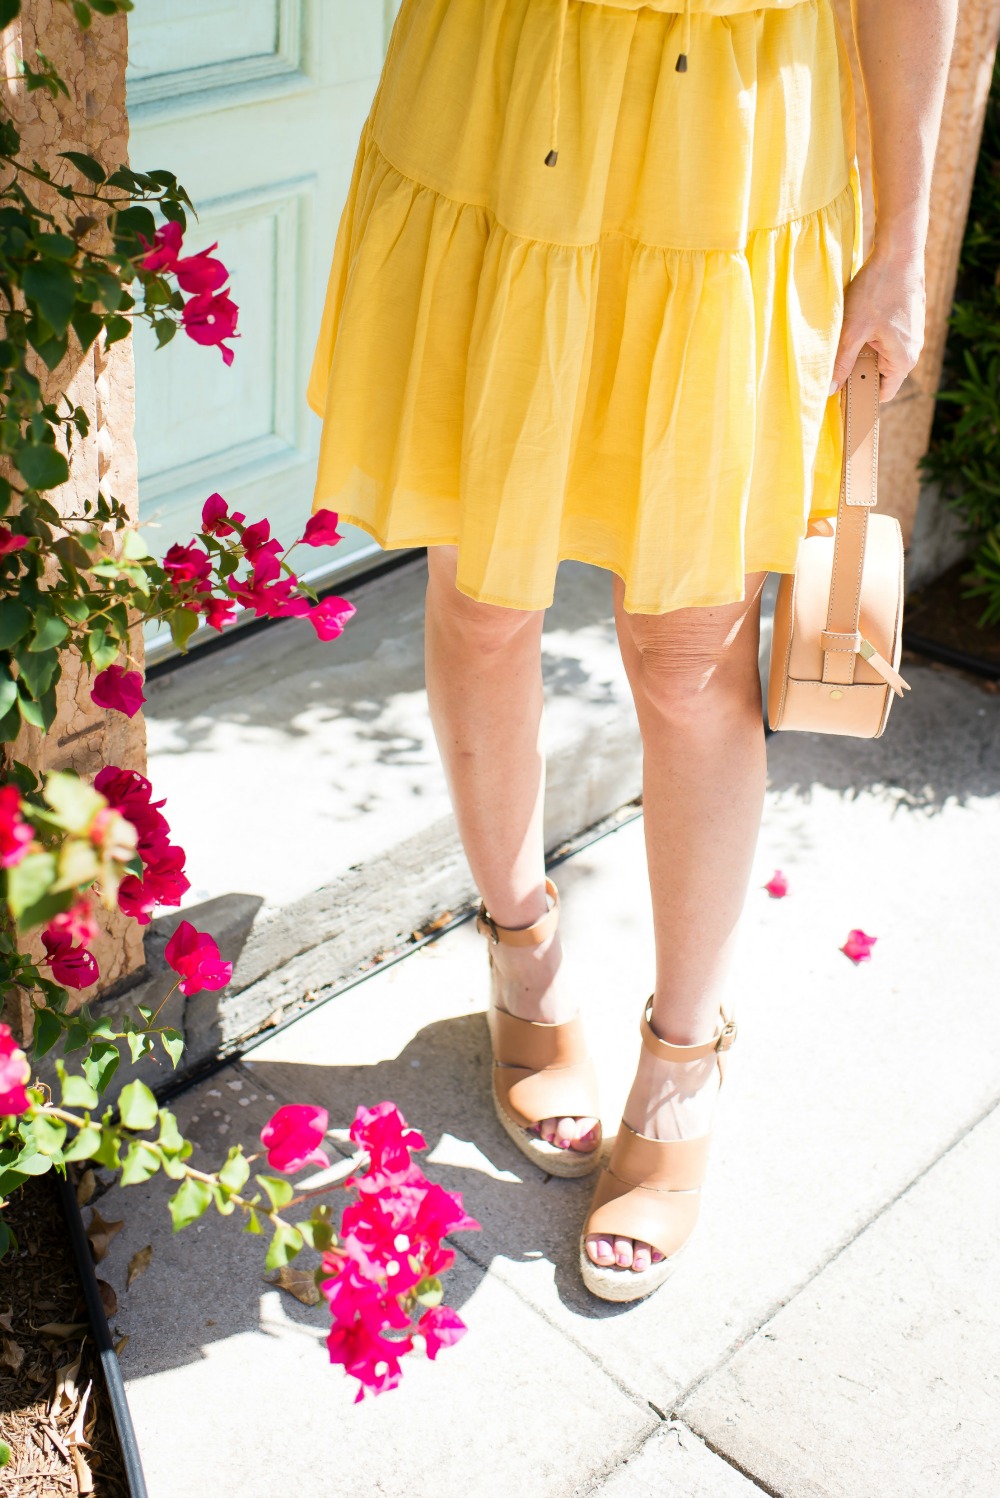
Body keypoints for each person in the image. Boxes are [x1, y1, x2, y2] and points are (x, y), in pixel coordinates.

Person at [306, 0, 957, 1302]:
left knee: (689, 655)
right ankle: (522, 956)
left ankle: (683, 1056)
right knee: (483, 594)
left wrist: (900, 235)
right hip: (504, 102)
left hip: (735, 144)